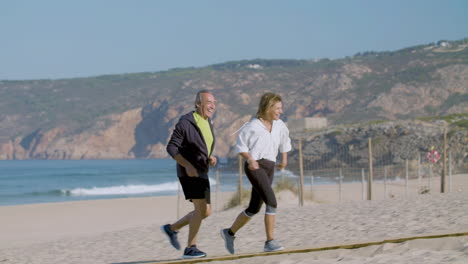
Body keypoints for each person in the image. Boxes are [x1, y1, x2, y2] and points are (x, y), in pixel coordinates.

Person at [220, 92, 291, 254]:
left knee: (254, 208)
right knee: (272, 202)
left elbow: (285, 141)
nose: (281, 111)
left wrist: (284, 159)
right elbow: (240, 146)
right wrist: (250, 159)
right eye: (278, 108)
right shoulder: (252, 126)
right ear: (268, 107)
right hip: (255, 166)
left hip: (270, 166)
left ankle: (229, 233)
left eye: (281, 108)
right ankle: (269, 241)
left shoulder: (280, 125)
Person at [161, 90, 217, 259]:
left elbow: (201, 147)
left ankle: (172, 228)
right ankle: (191, 248)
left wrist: (210, 158)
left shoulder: (208, 122)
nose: (212, 106)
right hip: (189, 173)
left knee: (206, 211)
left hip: (202, 170)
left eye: (213, 102)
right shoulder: (186, 122)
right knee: (200, 209)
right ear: (198, 104)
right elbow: (171, 147)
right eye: (208, 102)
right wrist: (187, 165)